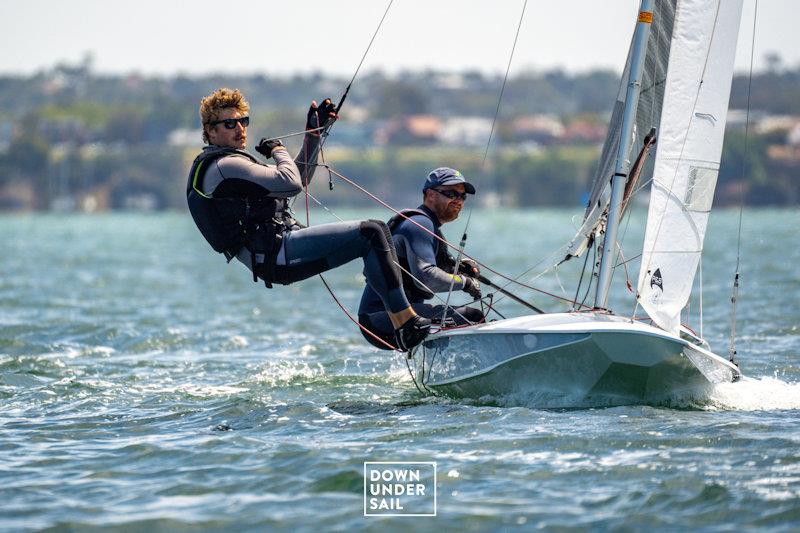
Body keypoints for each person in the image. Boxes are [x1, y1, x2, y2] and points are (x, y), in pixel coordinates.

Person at [186, 88, 429, 350]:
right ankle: (405, 324)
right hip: (277, 255)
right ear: (210, 131)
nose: (240, 129)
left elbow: (298, 177)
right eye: (230, 123)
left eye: (243, 121)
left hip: (278, 254)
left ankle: (400, 323)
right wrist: (279, 150)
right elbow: (290, 183)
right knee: (371, 233)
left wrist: (313, 134)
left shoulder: (233, 164)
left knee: (376, 233)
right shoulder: (224, 167)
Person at [357, 167, 485, 350]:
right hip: (384, 318)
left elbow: (419, 268)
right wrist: (465, 282)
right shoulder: (419, 224)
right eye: (451, 194)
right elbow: (426, 277)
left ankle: (443, 371)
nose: (458, 201)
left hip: (390, 317)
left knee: (449, 321)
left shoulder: (428, 226)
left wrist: (456, 269)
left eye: (462, 197)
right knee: (471, 317)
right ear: (430, 195)